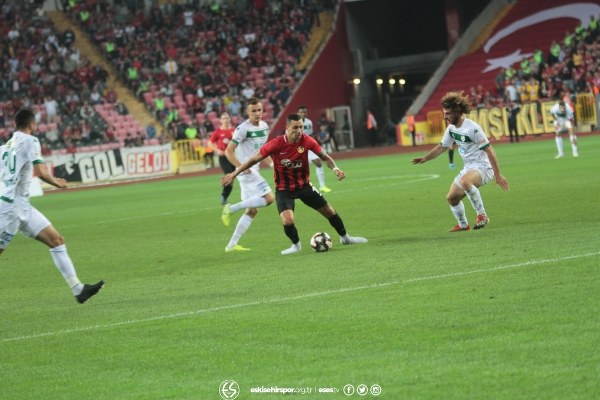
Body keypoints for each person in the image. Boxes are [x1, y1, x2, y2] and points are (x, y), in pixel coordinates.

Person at [221, 113, 367, 255]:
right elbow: (253, 159)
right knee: (288, 219)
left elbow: (325, 157)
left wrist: (335, 168)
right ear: (287, 128)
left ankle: (346, 238)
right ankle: (296, 245)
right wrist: (234, 173)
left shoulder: (307, 141)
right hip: (284, 189)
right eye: (295, 128)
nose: (299, 131)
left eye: (301, 127)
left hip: (304, 186)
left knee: (329, 211)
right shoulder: (276, 144)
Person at [0, 108, 104, 303]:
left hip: (22, 205)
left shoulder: (5, 146)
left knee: (56, 240)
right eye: (35, 124)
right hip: (9, 211)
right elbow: (41, 172)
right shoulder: (31, 141)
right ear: (31, 124)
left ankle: (78, 289)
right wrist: (58, 182)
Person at [411, 91, 510, 232]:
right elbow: (442, 147)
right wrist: (426, 158)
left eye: (448, 113)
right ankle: (463, 225)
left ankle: (482, 215)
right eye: (444, 113)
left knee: (465, 181)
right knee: (452, 198)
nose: (445, 117)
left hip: (483, 168)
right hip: (469, 168)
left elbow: (490, 150)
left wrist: (498, 174)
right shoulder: (451, 128)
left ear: (457, 112)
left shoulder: (472, 128)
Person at [220, 98, 275, 252]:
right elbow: (228, 151)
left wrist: (272, 165)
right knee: (270, 198)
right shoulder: (242, 129)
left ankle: (231, 245)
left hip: (253, 169)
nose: (257, 113)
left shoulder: (264, 127)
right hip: (246, 171)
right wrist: (240, 167)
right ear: (247, 112)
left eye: (259, 110)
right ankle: (230, 208)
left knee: (252, 210)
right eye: (254, 111)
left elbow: (263, 150)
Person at [297, 105, 331, 192]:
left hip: (308, 147)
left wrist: (315, 145)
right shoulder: (294, 123)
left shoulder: (309, 122)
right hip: (298, 148)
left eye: (304, 112)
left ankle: (322, 186)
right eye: (301, 112)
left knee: (318, 163)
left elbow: (311, 135)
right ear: (298, 113)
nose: (303, 114)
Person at [207, 112, 236, 205]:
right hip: (223, 157)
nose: (226, 120)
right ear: (220, 120)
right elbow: (210, 143)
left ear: (229, 119)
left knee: (231, 179)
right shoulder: (218, 132)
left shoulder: (234, 131)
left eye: (227, 118)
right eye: (224, 118)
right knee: (228, 175)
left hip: (232, 156)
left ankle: (224, 197)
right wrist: (217, 150)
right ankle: (223, 197)